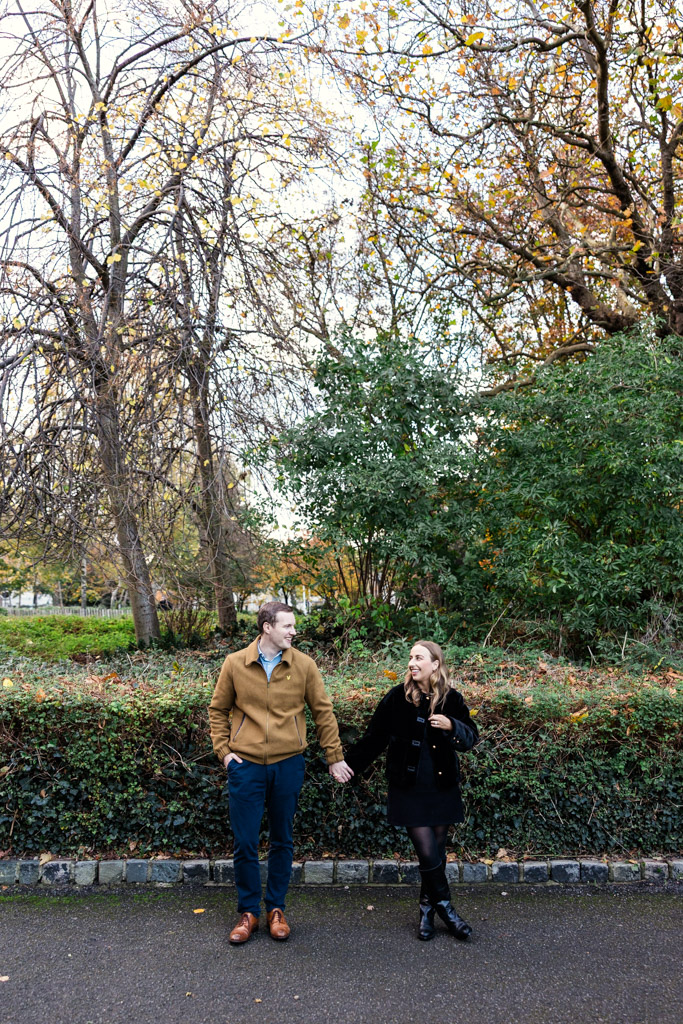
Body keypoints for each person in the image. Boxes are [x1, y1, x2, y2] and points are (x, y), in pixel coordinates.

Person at [209, 601, 353, 945]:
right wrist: (225, 753)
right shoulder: (235, 663)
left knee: (282, 839)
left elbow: (323, 712)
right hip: (245, 766)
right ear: (267, 627)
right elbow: (218, 710)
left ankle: (276, 909)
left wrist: (334, 756)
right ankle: (248, 912)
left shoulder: (304, 665)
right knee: (245, 841)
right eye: (287, 626)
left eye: (293, 626)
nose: (293, 631)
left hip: (288, 764)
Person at [344, 640, 478, 941]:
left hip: (441, 786)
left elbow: (471, 738)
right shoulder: (397, 697)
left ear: (435, 664)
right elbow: (374, 738)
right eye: (410, 657)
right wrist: (349, 766)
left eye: (419, 657)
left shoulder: (452, 699)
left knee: (436, 854)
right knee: (427, 852)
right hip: (408, 787)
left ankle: (426, 912)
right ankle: (447, 911)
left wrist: (452, 725)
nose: (412, 663)